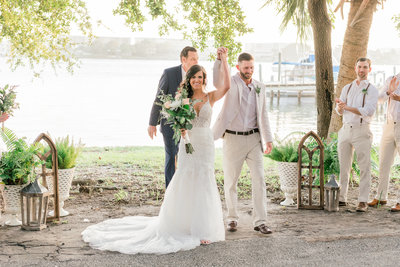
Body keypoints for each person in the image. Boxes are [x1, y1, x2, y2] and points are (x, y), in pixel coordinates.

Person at [82, 48, 231, 254]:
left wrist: (223, 60)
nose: (197, 80)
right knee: (185, 178)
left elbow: (227, 85)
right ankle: (181, 224)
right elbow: (167, 108)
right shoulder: (182, 100)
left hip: (205, 144)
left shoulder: (210, 98)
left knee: (205, 180)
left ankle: (203, 228)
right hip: (188, 142)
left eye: (200, 76)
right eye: (194, 77)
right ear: (188, 80)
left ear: (204, 79)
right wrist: (177, 125)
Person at [213, 52, 273, 234]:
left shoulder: (260, 86)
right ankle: (231, 218)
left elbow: (263, 114)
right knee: (231, 181)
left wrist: (268, 139)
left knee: (260, 179)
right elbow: (217, 82)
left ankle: (260, 221)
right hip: (233, 138)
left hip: (254, 139)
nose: (249, 71)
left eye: (252, 67)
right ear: (238, 67)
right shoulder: (231, 83)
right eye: (246, 67)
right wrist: (219, 60)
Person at [148, 46, 199, 188]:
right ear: (184, 59)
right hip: (169, 124)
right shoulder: (169, 73)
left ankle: (187, 187)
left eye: (197, 59)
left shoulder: (198, 75)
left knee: (188, 156)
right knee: (172, 156)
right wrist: (152, 123)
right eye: (193, 59)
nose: (196, 61)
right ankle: (170, 189)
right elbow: (159, 98)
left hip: (190, 125)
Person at [335, 57, 378, 212]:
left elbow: (368, 111)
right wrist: (340, 107)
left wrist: (347, 106)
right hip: (345, 129)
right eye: (359, 67)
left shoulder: (372, 89)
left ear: (369, 69)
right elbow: (339, 111)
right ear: (355, 68)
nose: (362, 70)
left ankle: (362, 200)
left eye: (365, 67)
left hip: (362, 130)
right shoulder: (347, 88)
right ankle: (341, 198)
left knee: (364, 166)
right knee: (344, 166)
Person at [368, 74, 400, 212]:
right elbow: (380, 99)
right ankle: (381, 197)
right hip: (388, 125)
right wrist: (387, 92)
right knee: (383, 162)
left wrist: (398, 97)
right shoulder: (392, 78)